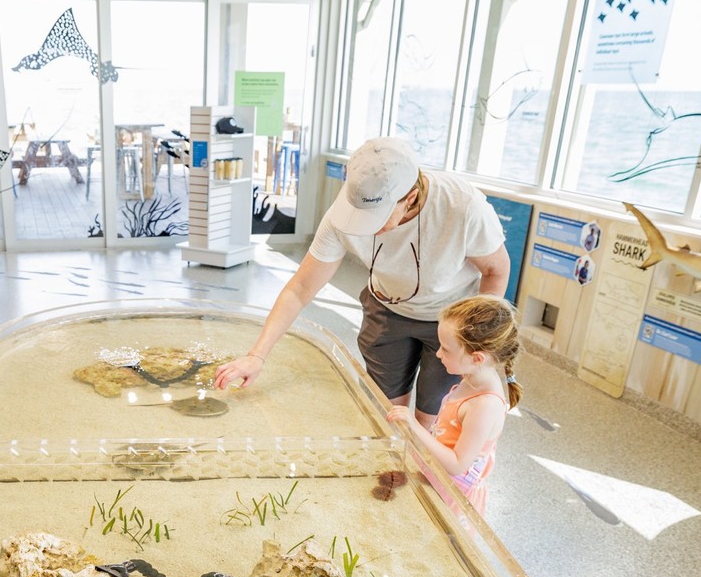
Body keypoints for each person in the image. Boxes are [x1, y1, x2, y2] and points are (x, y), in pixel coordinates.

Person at [213, 137, 511, 431]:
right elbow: (300, 289)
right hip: (386, 308)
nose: (367, 227)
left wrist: (474, 339)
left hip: (451, 321)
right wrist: (257, 355)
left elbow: (496, 270)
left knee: (430, 416)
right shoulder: (341, 216)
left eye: (378, 217)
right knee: (388, 411)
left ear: (409, 198)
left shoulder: (462, 206)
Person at [385, 295, 522, 514]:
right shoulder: (470, 377)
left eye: (446, 349)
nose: (438, 353)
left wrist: (415, 427)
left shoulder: (484, 406)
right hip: (436, 477)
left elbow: (458, 464)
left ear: (477, 358)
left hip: (453, 496)